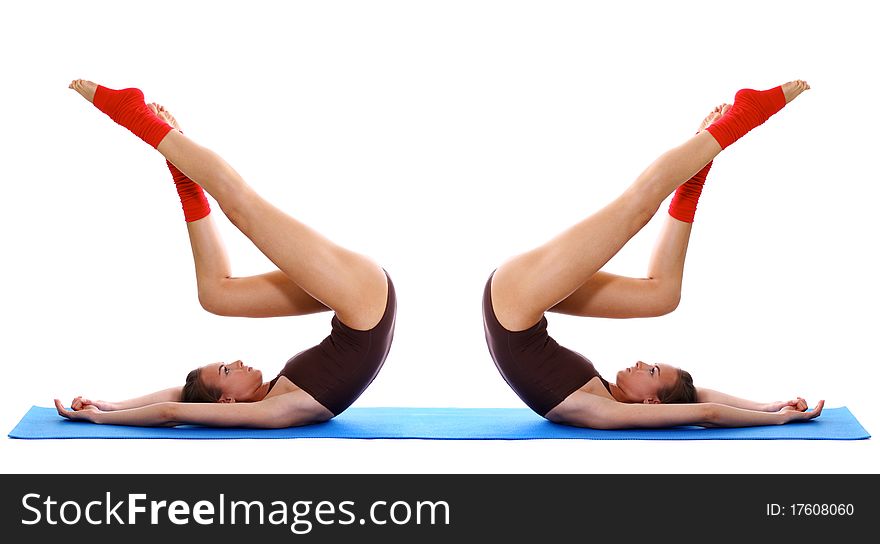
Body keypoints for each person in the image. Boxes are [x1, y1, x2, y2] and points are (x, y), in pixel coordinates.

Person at [483, 80, 825, 429]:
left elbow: (705, 413)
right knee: (662, 296)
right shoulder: (610, 395)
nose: (642, 362)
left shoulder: (602, 411)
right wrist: (768, 406)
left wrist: (776, 421)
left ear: (650, 402)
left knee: (638, 208)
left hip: (515, 297)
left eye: (652, 371)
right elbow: (697, 397)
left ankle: (745, 116)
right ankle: (693, 180)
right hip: (519, 302)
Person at [55, 80, 395, 428]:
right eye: (225, 370)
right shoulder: (276, 410)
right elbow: (173, 412)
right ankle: (134, 115)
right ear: (228, 401)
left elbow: (179, 396)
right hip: (363, 297)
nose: (236, 361)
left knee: (215, 295)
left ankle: (184, 178)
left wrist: (109, 405)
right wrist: (101, 420)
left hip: (359, 302)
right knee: (240, 207)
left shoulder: (268, 394)